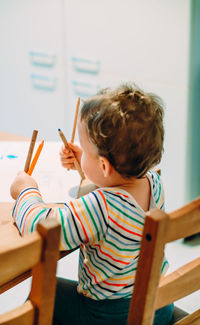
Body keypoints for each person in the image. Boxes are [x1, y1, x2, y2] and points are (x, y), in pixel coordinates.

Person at [10, 84, 174, 325]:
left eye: (85, 150)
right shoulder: (153, 182)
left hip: (112, 317)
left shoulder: (100, 208)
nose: (81, 153)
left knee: (45, 292)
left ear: (105, 166)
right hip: (159, 305)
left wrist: (26, 191)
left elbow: (40, 227)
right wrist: (86, 163)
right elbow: (117, 186)